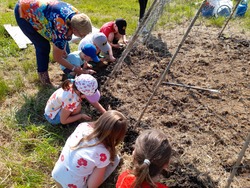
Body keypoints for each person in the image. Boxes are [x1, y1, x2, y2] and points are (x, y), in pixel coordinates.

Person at [14, 0, 93, 86]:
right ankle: (44, 80)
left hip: (43, 11)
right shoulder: (62, 29)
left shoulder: (78, 18)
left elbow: (64, 38)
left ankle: (69, 72)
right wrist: (76, 69)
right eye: (82, 35)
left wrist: (62, 48)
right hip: (24, 11)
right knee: (43, 46)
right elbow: (57, 57)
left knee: (62, 47)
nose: (82, 37)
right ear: (74, 29)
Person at [52, 110, 128, 188]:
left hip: (56, 176)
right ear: (117, 136)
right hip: (72, 186)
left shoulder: (83, 126)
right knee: (116, 159)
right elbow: (92, 185)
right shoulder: (104, 154)